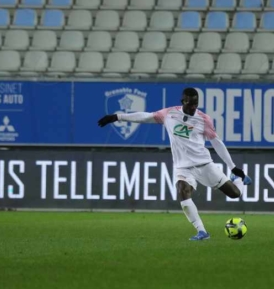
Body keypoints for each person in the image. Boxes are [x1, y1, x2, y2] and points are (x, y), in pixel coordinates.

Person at [98, 87, 252, 241]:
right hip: (183, 167)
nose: (193, 107)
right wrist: (117, 117)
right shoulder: (169, 114)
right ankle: (202, 232)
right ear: (183, 101)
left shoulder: (204, 119)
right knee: (182, 192)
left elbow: (217, 143)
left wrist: (232, 167)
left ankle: (239, 179)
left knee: (234, 194)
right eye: (190, 104)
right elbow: (145, 117)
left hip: (204, 164)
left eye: (196, 104)